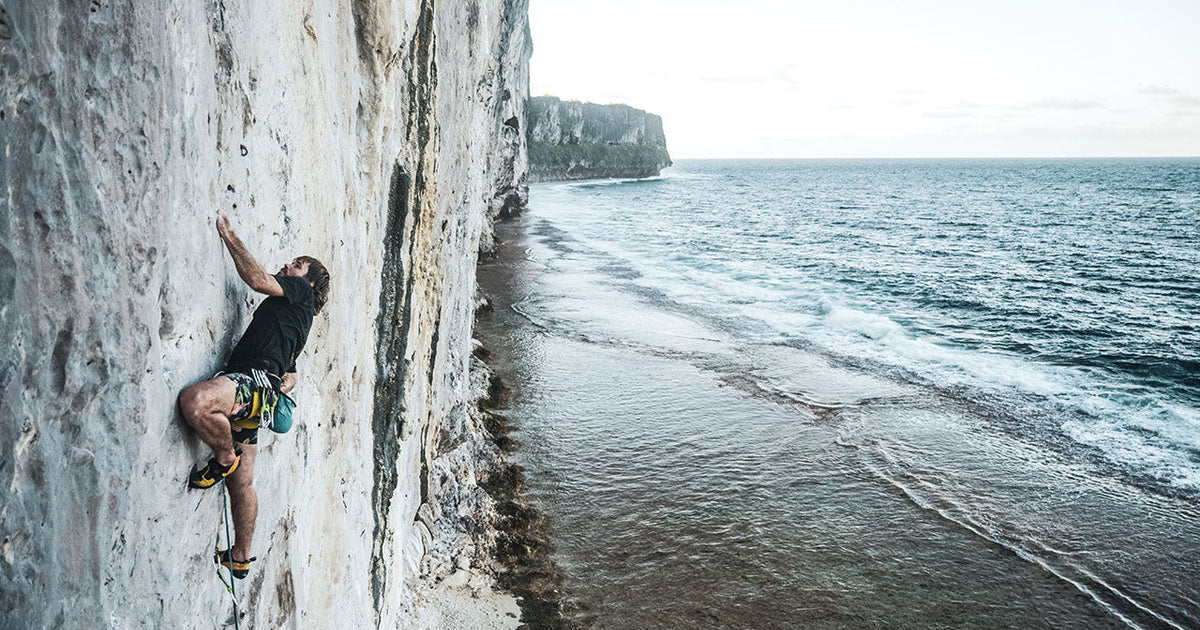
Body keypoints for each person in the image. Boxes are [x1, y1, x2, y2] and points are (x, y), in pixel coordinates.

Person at [178, 211, 330, 579]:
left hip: (250, 383)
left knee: (195, 402)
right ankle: (241, 555)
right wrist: (289, 378)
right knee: (242, 483)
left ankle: (224, 454)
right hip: (262, 396)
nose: (287, 266)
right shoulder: (301, 319)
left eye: (296, 265)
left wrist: (230, 237)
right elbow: (289, 369)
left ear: (307, 283)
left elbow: (259, 280)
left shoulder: (297, 293)